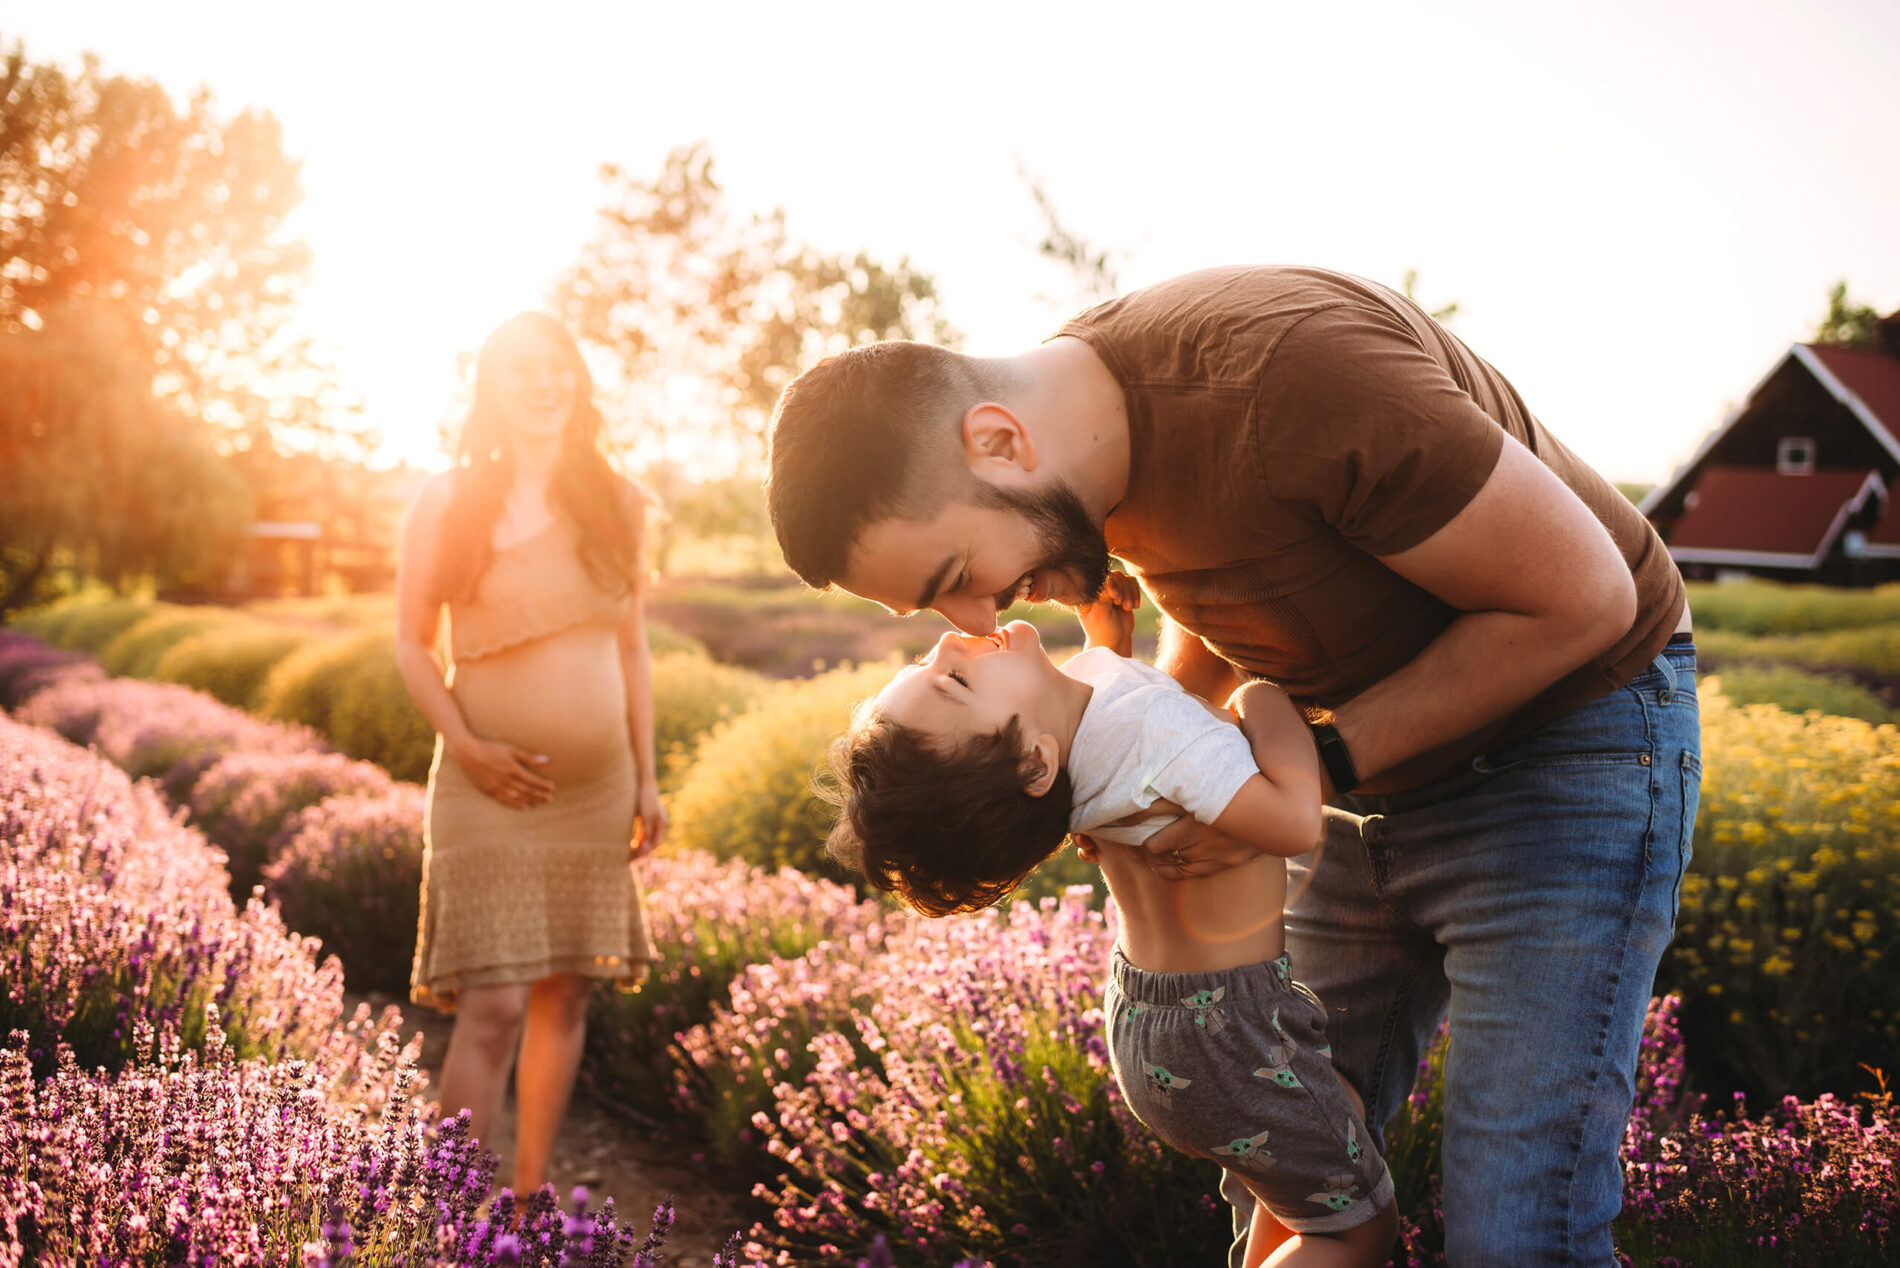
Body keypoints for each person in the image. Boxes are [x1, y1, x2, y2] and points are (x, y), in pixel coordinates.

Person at [765, 265, 1699, 1266]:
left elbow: (1585, 600)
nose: (978, 621)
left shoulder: (1292, 381)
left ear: (998, 441)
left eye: (955, 578)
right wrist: (1167, 756)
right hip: (1351, 754)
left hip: (1566, 732)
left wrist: (1297, 763)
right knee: (1289, 1191)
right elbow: (1228, 602)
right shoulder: (1082, 458)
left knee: (1516, 1230)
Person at [827, 578, 1399, 1267]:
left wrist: (1109, 642)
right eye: (957, 681)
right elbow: (1294, 820)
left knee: (1322, 1156)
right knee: (1357, 1231)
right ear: (1035, 762)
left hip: (1159, 1031)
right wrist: (1260, 698)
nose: (950, 640)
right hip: (1234, 1033)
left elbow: (1115, 714)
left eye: (926, 665)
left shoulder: (1071, 733)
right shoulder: (1149, 731)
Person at [393, 311, 666, 1201]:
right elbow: (409, 644)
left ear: (577, 382)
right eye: (522, 372)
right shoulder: (447, 500)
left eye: (558, 368)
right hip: (484, 788)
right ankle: (450, 1212)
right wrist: (465, 745)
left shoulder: (618, 501)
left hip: (597, 789)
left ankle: (527, 1196)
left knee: (565, 994)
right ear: (492, 392)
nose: (544, 385)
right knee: (494, 1004)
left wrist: (648, 777)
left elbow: (631, 650)